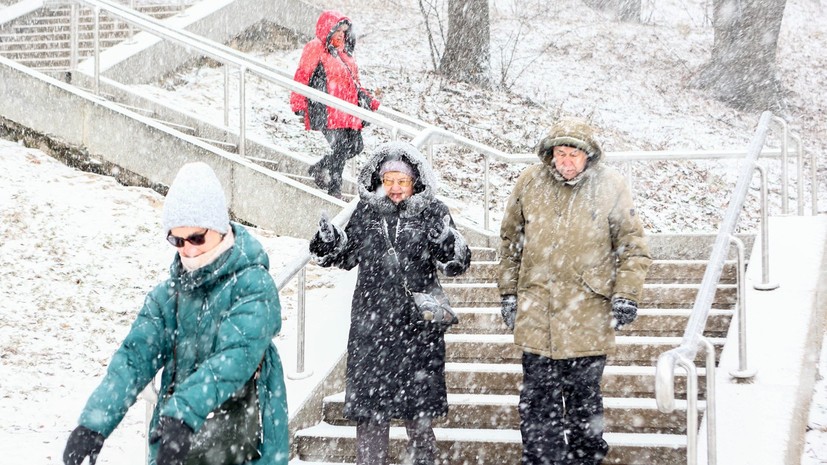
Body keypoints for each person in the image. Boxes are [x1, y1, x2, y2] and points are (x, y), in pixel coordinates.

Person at [63, 162, 289, 465]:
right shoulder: (168, 297)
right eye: (177, 240)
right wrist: (92, 426)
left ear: (220, 228)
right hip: (180, 445)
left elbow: (235, 358)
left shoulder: (253, 286)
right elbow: (133, 360)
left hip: (244, 446)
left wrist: (182, 413)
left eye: (197, 238)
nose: (189, 250)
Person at [497, 118, 652, 465]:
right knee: (538, 406)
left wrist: (626, 293)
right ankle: (540, 460)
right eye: (560, 153)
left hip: (588, 316)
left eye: (573, 155)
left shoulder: (610, 185)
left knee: (584, 405)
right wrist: (509, 292)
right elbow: (510, 243)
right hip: (537, 315)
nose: (565, 162)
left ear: (588, 156)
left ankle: (586, 460)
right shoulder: (530, 182)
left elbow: (633, 246)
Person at [309, 142, 471, 465]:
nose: (395, 188)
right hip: (372, 329)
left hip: (417, 331)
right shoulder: (367, 211)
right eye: (389, 180)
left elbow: (457, 263)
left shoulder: (433, 211)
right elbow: (347, 254)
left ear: (415, 182)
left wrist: (447, 242)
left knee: (418, 418)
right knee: (370, 417)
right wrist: (329, 242)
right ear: (379, 181)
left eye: (402, 181)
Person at [290, 9, 380, 199]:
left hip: (348, 111)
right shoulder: (316, 48)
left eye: (344, 32)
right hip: (326, 109)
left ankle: (321, 167)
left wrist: (368, 100)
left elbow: (355, 83)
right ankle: (334, 188)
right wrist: (298, 102)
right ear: (328, 30)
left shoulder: (345, 55)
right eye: (337, 30)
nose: (341, 35)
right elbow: (302, 74)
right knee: (340, 147)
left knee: (356, 146)